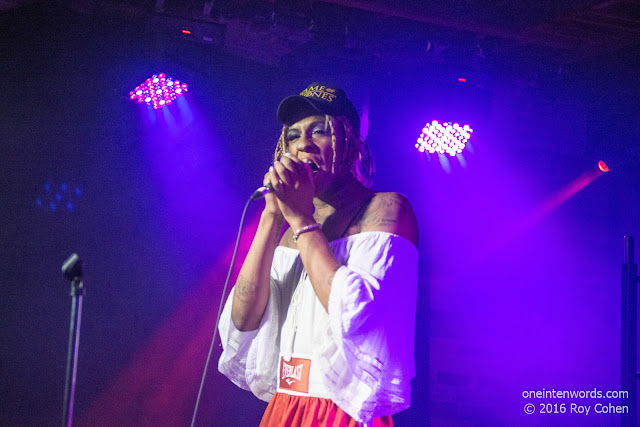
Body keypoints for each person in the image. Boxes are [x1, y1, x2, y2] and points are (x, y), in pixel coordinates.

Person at [218, 82, 419, 426]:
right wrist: (272, 216)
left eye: (320, 131)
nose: (303, 144)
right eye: (293, 136)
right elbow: (242, 320)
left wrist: (300, 218)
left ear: (352, 144)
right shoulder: (290, 231)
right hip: (285, 407)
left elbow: (355, 314)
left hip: (342, 409)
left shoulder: (386, 208)